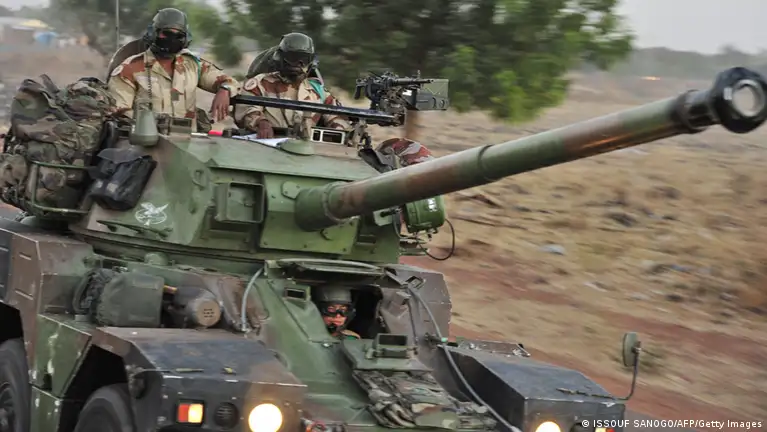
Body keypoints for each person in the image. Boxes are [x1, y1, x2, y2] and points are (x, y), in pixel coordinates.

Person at [107, 8, 239, 130]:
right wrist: (150, 123)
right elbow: (119, 112)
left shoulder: (193, 65)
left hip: (188, 141)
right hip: (145, 141)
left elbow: (230, 81)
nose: (172, 39)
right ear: (153, 33)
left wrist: (224, 90)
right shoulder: (129, 68)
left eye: (178, 36)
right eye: (166, 33)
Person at [233, 32, 349, 139]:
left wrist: (339, 129)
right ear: (279, 57)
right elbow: (247, 111)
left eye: (303, 59)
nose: (298, 64)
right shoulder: (260, 83)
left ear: (311, 62)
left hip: (306, 148)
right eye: (292, 58)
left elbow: (336, 116)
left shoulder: (317, 90)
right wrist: (261, 122)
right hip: (268, 143)